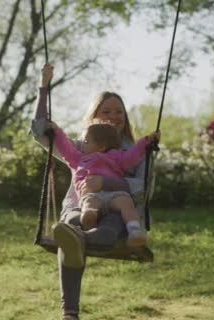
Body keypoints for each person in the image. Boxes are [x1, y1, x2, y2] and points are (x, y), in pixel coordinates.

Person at [30, 63, 158, 320]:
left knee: (90, 234)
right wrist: (44, 88)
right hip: (82, 210)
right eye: (106, 110)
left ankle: (77, 243)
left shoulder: (134, 154)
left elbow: (141, 191)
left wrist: (106, 183)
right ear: (93, 116)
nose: (113, 116)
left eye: (119, 111)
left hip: (118, 212)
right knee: (71, 226)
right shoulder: (81, 149)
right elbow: (40, 131)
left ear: (126, 117)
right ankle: (70, 314)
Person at [48, 120, 159, 247]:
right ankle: (89, 223)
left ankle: (135, 231)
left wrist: (146, 141)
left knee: (127, 203)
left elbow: (132, 155)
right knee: (89, 206)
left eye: (86, 142)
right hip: (92, 194)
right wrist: (57, 131)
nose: (82, 145)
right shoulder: (79, 159)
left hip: (114, 193)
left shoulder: (116, 157)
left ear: (101, 146)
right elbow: (66, 148)